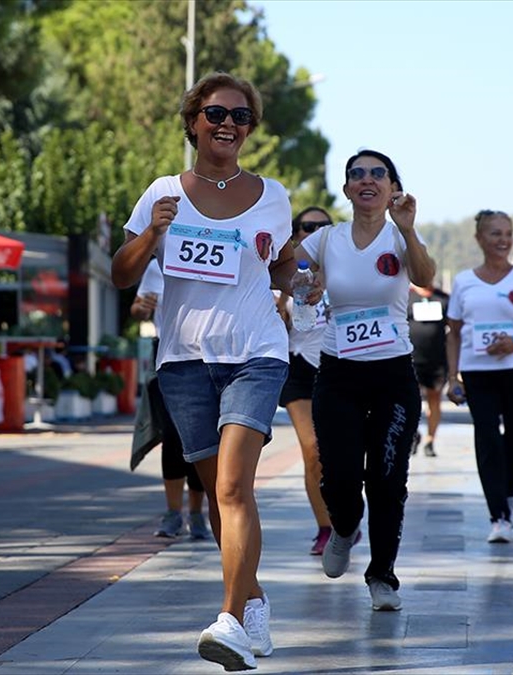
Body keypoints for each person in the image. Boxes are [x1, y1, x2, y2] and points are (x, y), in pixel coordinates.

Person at [112, 71, 296, 672]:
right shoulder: (163, 191)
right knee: (219, 501)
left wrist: (293, 279)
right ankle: (255, 604)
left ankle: (229, 623)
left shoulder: (273, 194)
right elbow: (121, 273)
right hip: (184, 364)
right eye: (217, 114)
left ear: (251, 129)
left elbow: (283, 263)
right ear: (193, 120)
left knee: (234, 488)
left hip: (255, 354)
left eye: (240, 117)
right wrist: (155, 233)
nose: (228, 125)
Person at [295, 149, 435, 613]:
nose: (367, 180)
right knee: (336, 473)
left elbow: (424, 276)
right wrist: (304, 284)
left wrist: (410, 229)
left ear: (394, 188)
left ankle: (382, 576)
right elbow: (289, 270)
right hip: (338, 370)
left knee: (388, 478)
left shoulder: (400, 238)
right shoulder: (327, 239)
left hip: (393, 374)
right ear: (347, 189)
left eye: (379, 174)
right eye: (357, 175)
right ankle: (343, 525)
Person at [446, 209, 513, 544]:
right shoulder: (464, 281)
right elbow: (454, 333)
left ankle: (509, 492)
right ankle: (498, 516)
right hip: (478, 372)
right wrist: (452, 377)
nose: (503, 240)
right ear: (479, 238)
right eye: (495, 234)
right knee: (488, 439)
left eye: (508, 233)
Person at [129, 262, 209, 541]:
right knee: (174, 437)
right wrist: (144, 309)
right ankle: (173, 513)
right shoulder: (156, 265)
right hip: (169, 355)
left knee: (204, 438)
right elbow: (137, 309)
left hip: (210, 354)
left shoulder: (215, 252)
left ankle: (197, 514)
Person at [276, 206, 335, 556]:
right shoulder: (284, 275)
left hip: (336, 365)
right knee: (312, 449)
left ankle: (345, 516)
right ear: (296, 234)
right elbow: (278, 324)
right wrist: (283, 302)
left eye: (323, 226)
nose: (315, 231)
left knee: (340, 452)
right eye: (308, 226)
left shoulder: (344, 269)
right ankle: (325, 527)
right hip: (298, 366)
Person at [407, 283, 451, 458]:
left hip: (436, 359)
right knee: (410, 400)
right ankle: (413, 433)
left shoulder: (443, 298)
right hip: (410, 359)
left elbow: (454, 328)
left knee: (434, 399)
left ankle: (430, 440)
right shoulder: (406, 296)